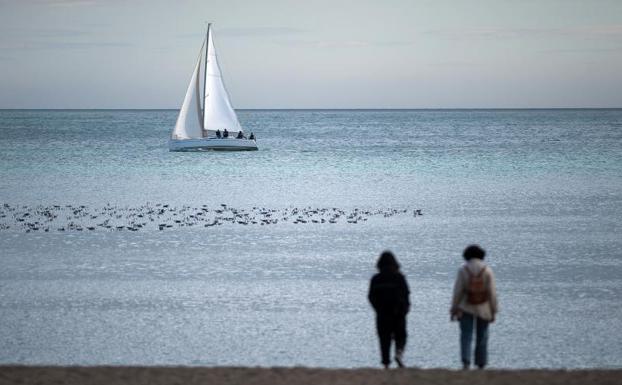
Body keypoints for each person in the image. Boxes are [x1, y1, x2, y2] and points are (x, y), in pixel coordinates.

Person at [450, 245, 498, 370]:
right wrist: (494, 310)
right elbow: (492, 292)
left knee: (466, 335)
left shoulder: (463, 270)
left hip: (466, 307)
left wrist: (454, 309)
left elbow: (458, 291)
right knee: (482, 336)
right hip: (484, 307)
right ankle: (481, 363)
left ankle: (466, 362)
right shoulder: (487, 270)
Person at [368, 250, 410, 369]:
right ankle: (399, 354)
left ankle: (386, 363)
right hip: (398, 313)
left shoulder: (376, 279)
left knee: (384, 338)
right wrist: (405, 309)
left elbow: (371, 296)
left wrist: (377, 308)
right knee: (401, 336)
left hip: (382, 313)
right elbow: (406, 294)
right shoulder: (399, 277)